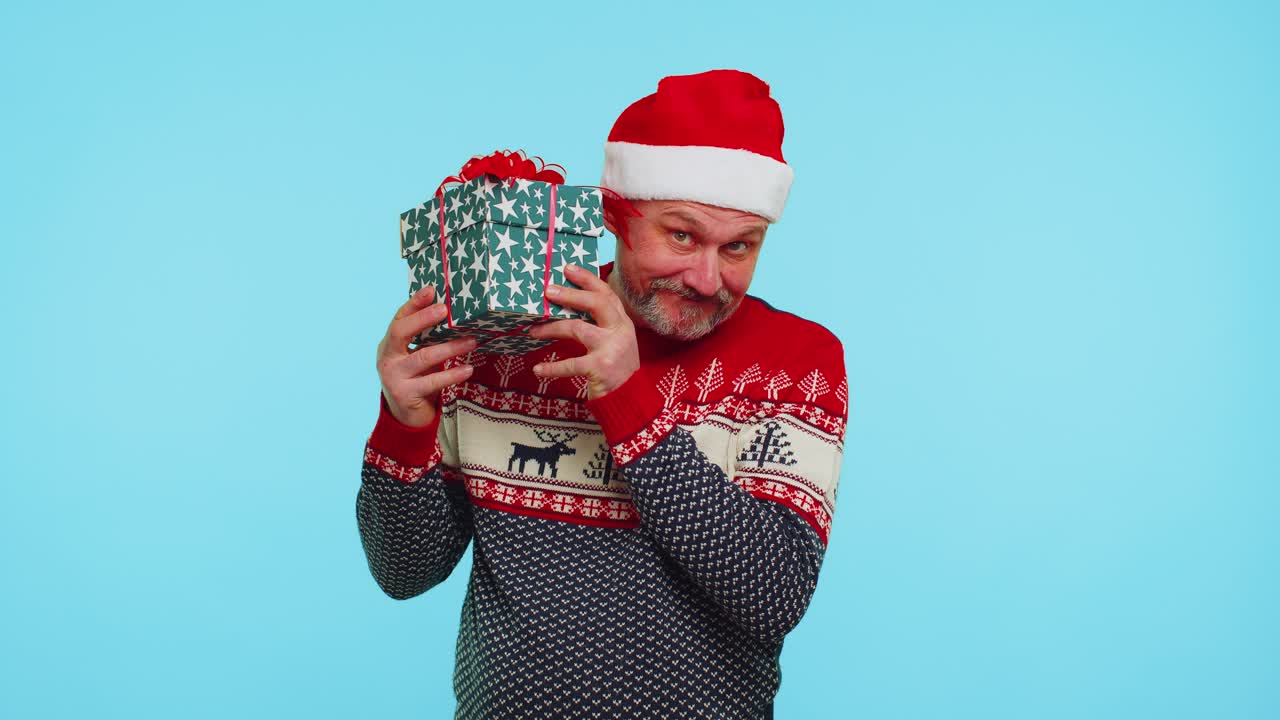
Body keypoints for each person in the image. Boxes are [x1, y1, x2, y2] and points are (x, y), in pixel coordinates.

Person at [358, 69, 849, 720]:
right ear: (615, 215)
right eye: (682, 235)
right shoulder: (505, 339)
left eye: (739, 246)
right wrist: (405, 424)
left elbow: (771, 593)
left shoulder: (798, 362)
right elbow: (405, 571)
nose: (707, 277)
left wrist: (625, 398)